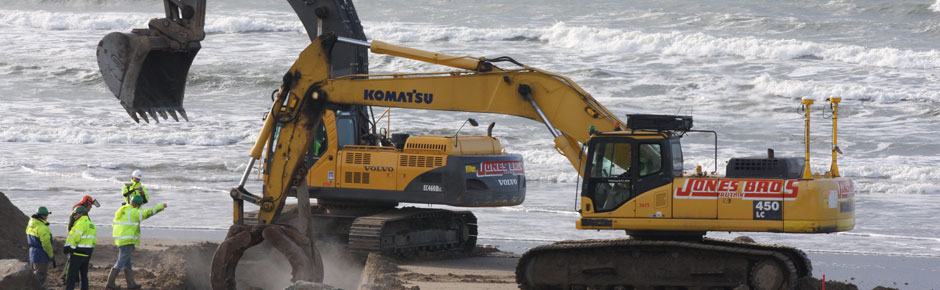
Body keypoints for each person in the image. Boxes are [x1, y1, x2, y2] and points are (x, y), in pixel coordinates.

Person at [107, 195, 166, 289]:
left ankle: (131, 284)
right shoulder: (133, 212)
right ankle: (110, 283)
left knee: (127, 262)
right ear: (137, 205)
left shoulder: (123, 210)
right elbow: (147, 213)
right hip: (127, 240)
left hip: (120, 239)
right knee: (121, 261)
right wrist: (161, 207)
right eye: (139, 205)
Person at [64, 206, 96, 290]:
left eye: (76, 214)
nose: (74, 216)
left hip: (77, 254)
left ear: (81, 214)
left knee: (71, 276)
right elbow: (94, 241)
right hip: (87, 254)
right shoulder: (91, 224)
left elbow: (75, 238)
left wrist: (71, 249)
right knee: (84, 276)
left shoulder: (80, 224)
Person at [25, 206, 54, 287]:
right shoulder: (42, 227)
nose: (47, 217)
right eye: (46, 215)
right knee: (40, 276)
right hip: (41, 254)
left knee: (34, 274)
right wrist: (51, 255)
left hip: (33, 253)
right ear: (43, 216)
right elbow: (46, 244)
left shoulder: (30, 225)